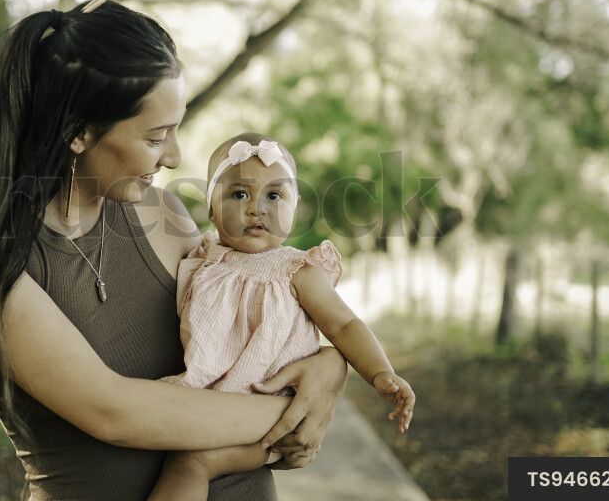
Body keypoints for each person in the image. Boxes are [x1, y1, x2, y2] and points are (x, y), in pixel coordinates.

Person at [0, 0, 349, 501]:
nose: (175, 157)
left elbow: (261, 317)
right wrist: (300, 408)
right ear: (79, 132)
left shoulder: (166, 216)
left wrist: (330, 366)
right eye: (156, 138)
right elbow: (114, 412)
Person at [146, 132, 416, 501]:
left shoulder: (296, 270)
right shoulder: (205, 256)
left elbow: (343, 324)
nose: (256, 208)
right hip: (211, 402)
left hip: (269, 417)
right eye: (239, 194)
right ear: (211, 208)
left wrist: (380, 373)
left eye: (274, 195)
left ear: (295, 206)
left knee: (190, 462)